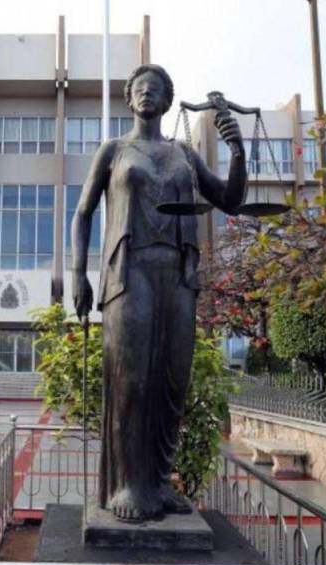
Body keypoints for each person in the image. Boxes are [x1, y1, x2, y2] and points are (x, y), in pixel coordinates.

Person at [71, 64, 246, 522]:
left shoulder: (183, 152)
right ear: (129, 99)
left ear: (168, 101)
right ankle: (129, 484)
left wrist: (237, 151)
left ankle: (160, 482)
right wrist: (77, 274)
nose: (147, 93)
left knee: (172, 379)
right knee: (133, 379)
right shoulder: (113, 150)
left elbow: (229, 199)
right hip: (130, 273)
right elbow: (83, 213)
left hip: (178, 273)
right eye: (140, 88)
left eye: (156, 89)